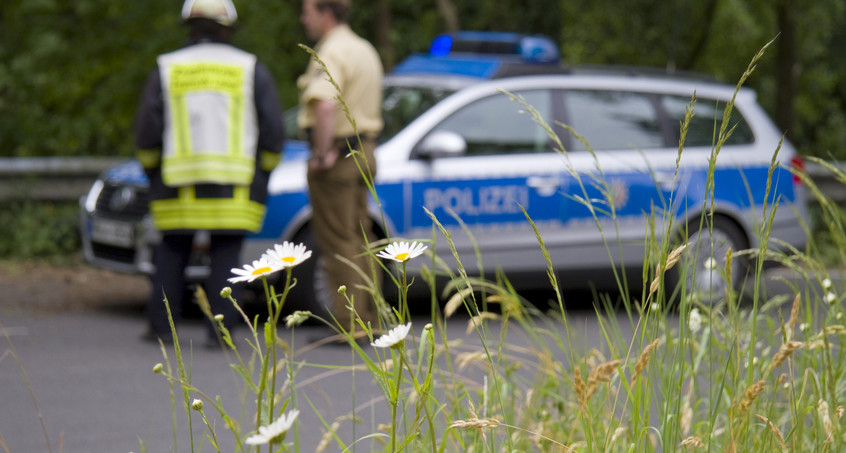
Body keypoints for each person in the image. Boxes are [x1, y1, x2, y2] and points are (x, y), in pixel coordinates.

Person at [135, 0, 284, 344]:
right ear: (228, 27)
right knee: (226, 255)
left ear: (189, 26)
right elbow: (273, 129)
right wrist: (263, 172)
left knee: (171, 252)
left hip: (176, 184)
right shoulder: (250, 67)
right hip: (235, 186)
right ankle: (220, 334)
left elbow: (147, 130)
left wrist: (152, 170)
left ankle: (160, 329)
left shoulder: (167, 67)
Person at [297, 0, 384, 333]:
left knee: (338, 243)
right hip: (364, 151)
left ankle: (351, 323)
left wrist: (321, 154)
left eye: (308, 12)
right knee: (361, 237)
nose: (303, 19)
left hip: (337, 156)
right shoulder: (364, 49)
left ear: (326, 13)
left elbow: (325, 106)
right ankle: (373, 319)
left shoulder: (331, 52)